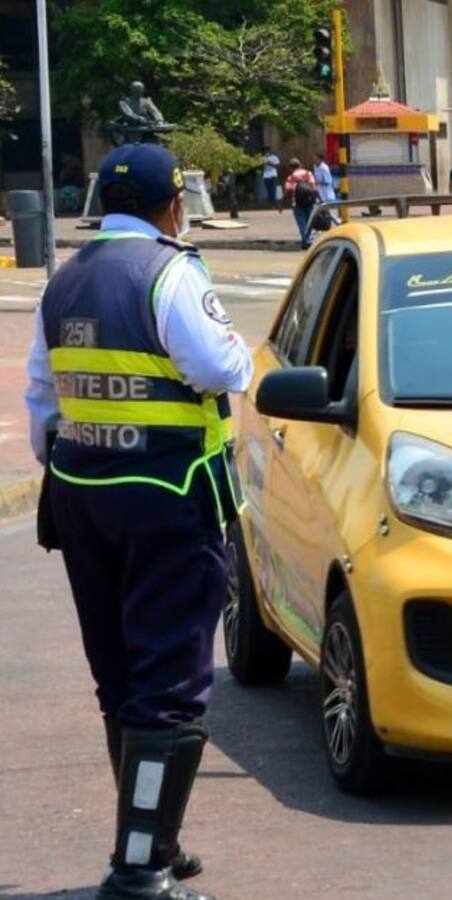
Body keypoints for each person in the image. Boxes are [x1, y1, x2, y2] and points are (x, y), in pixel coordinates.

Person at [23, 142, 252, 900]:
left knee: (120, 676)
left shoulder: (64, 281)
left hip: (83, 494)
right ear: (174, 205)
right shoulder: (170, 271)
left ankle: (153, 838)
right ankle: (140, 870)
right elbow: (221, 369)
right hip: (169, 492)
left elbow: (41, 400)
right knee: (171, 682)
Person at [282, 157, 318, 249]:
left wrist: (282, 204)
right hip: (310, 201)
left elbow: (287, 190)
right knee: (310, 222)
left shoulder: (291, 177)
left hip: (297, 203)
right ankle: (308, 240)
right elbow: (313, 186)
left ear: (290, 167)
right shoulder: (308, 173)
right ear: (300, 165)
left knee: (302, 223)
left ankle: (306, 241)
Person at [312, 152, 340, 226]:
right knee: (321, 210)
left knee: (325, 210)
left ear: (320, 159)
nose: (314, 159)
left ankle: (337, 222)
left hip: (326, 192)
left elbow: (328, 181)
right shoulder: (315, 166)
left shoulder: (324, 167)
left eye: (316, 158)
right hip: (319, 192)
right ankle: (328, 224)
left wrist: (318, 182)